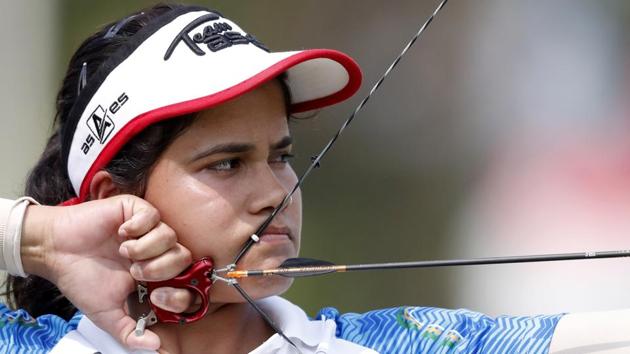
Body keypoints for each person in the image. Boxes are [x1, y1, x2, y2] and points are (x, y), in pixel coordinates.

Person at [2, 3, 630, 354]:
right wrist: (41, 241)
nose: (277, 193)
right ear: (114, 201)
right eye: (225, 163)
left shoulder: (403, 346)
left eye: (281, 155)